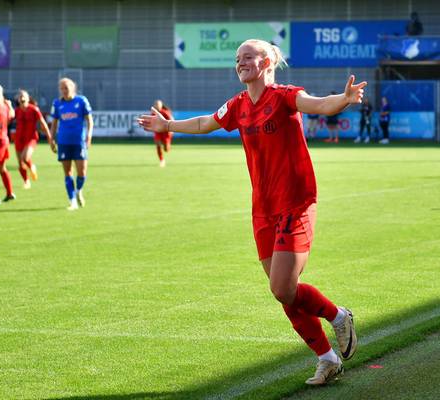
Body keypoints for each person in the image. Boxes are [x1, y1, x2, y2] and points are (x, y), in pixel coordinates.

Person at [138, 39, 364, 386]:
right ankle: (327, 358)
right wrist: (167, 126)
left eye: (247, 57)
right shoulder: (239, 105)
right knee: (284, 291)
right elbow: (204, 124)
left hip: (295, 203)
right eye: (237, 59)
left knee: (282, 287)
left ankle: (338, 316)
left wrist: (344, 100)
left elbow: (318, 104)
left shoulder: (285, 96)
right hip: (263, 209)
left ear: (268, 61)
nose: (240, 63)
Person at [50, 78, 93, 211]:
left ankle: (79, 189)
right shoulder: (57, 103)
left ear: (73, 88)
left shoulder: (81, 101)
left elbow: (89, 120)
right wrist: (52, 139)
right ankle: (72, 200)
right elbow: (54, 123)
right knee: (67, 172)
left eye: (66, 88)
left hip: (79, 142)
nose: (64, 91)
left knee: (82, 172)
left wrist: (89, 135)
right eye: (62, 88)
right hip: (63, 141)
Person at [14, 89, 56, 189]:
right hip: (19, 139)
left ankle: (32, 166)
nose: (22, 98)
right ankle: (26, 181)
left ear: (28, 98)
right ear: (18, 100)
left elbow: (43, 124)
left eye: (24, 96)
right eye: (20, 96)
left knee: (25, 158)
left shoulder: (34, 110)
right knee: (20, 163)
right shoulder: (16, 111)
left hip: (31, 138)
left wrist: (50, 138)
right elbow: (6, 119)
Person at [152, 100, 174, 167]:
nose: (157, 106)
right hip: (158, 132)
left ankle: (167, 146)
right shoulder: (153, 113)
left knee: (166, 149)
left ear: (161, 105)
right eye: (156, 104)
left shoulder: (165, 112)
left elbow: (172, 120)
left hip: (166, 132)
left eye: (158, 104)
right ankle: (162, 160)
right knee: (158, 144)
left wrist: (171, 130)